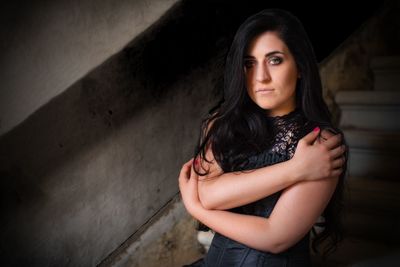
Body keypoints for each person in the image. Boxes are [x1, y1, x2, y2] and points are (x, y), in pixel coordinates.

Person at [179, 8, 348, 266]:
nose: (260, 77)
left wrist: (196, 209)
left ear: (300, 66)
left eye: (274, 60)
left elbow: (276, 236)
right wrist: (296, 169)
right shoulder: (222, 124)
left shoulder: (321, 143)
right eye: (249, 63)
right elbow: (210, 195)